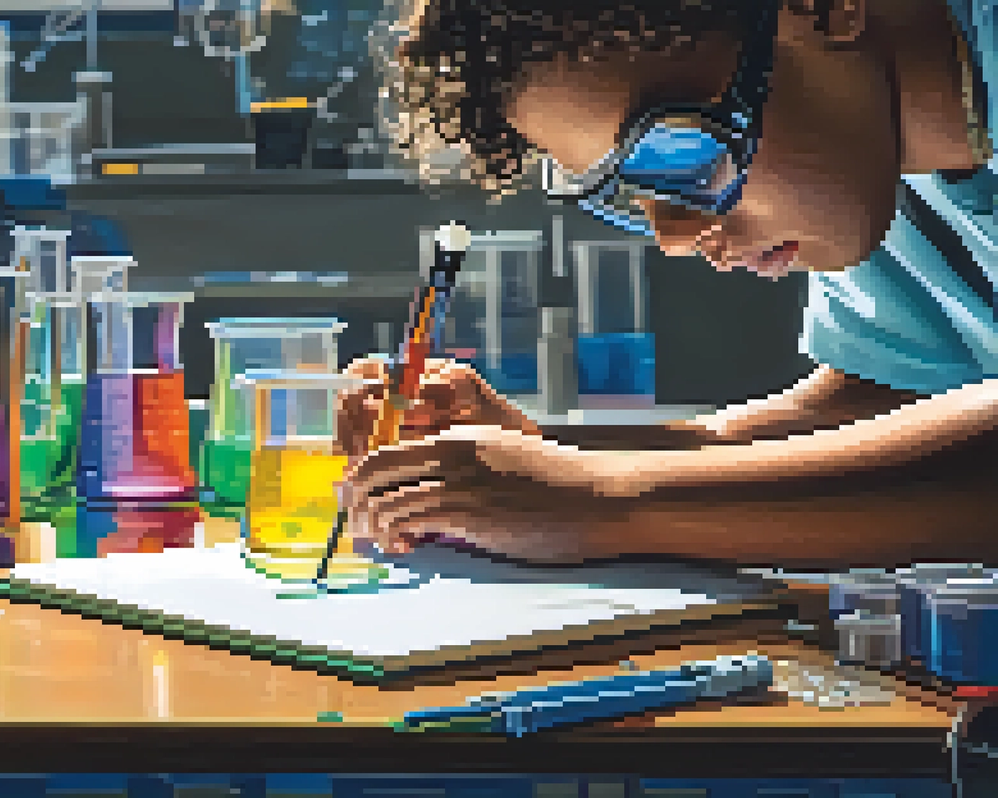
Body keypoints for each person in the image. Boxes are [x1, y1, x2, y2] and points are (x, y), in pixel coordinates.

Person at [340, 0, 998, 569]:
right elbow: (871, 418)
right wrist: (534, 455)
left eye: (678, 154)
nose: (675, 236)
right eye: (632, 187)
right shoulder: (880, 163)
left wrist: (612, 498)